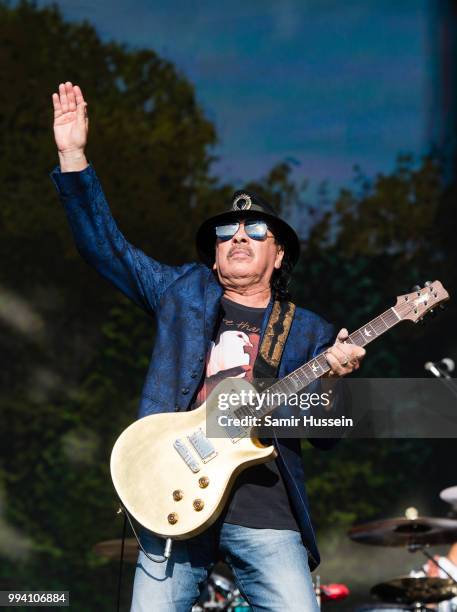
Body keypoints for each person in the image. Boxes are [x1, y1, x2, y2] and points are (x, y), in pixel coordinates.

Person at [50, 81, 366, 612]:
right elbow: (107, 249)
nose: (238, 237)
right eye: (226, 233)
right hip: (171, 493)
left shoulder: (308, 329)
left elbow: (327, 434)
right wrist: (74, 156)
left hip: (264, 506)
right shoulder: (182, 293)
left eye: (255, 229)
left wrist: (333, 378)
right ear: (214, 258)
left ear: (279, 254)